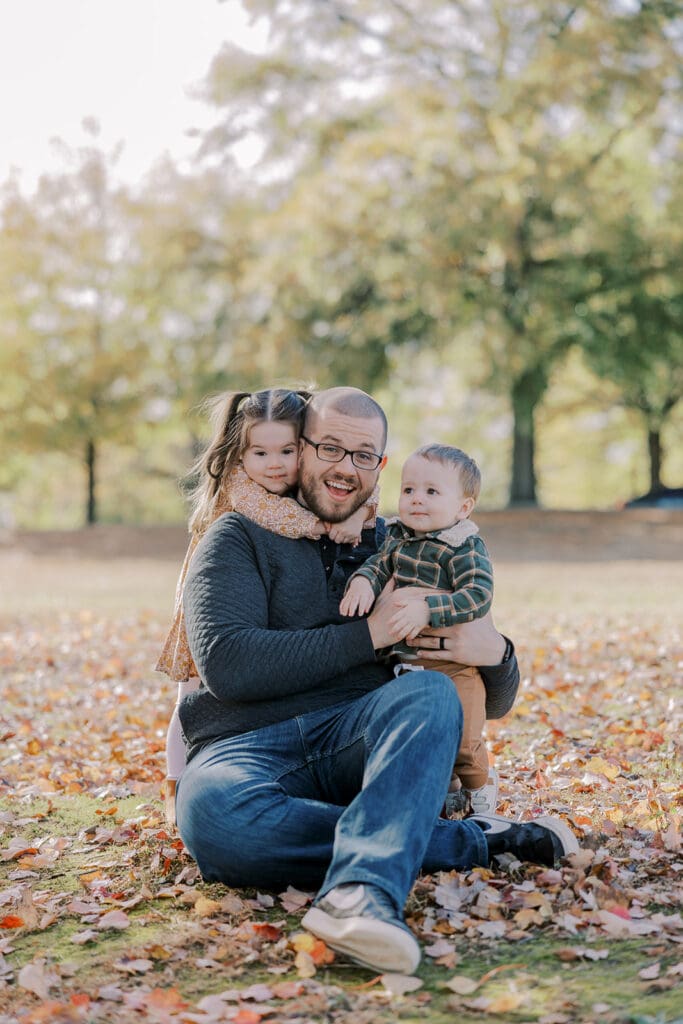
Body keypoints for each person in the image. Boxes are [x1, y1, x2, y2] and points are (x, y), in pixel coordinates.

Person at [176, 386, 579, 976]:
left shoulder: (399, 543)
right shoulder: (235, 537)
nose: (346, 468)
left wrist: (495, 651)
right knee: (216, 816)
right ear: (300, 448)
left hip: (361, 737)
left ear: (381, 465)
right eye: (330, 449)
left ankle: (359, 896)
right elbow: (228, 663)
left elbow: (487, 701)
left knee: (430, 694)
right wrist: (370, 634)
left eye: (364, 455)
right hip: (247, 744)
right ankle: (474, 842)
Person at [156, 388, 374, 823]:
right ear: (241, 454)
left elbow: (360, 486)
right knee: (189, 697)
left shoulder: (324, 489)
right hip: (214, 599)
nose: (274, 464)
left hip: (332, 718)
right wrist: (335, 520)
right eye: (260, 452)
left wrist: (359, 512)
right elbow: (294, 521)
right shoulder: (246, 494)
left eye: (287, 451)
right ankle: (176, 784)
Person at [340, 443, 498, 816]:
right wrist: (364, 582)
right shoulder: (397, 537)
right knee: (428, 742)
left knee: (462, 741)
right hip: (406, 667)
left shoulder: (464, 546)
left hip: (454, 667)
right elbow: (379, 565)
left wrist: (429, 609)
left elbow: (477, 596)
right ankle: (447, 795)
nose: (416, 500)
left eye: (431, 492)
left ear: (463, 507)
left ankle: (481, 788)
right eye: (409, 490)